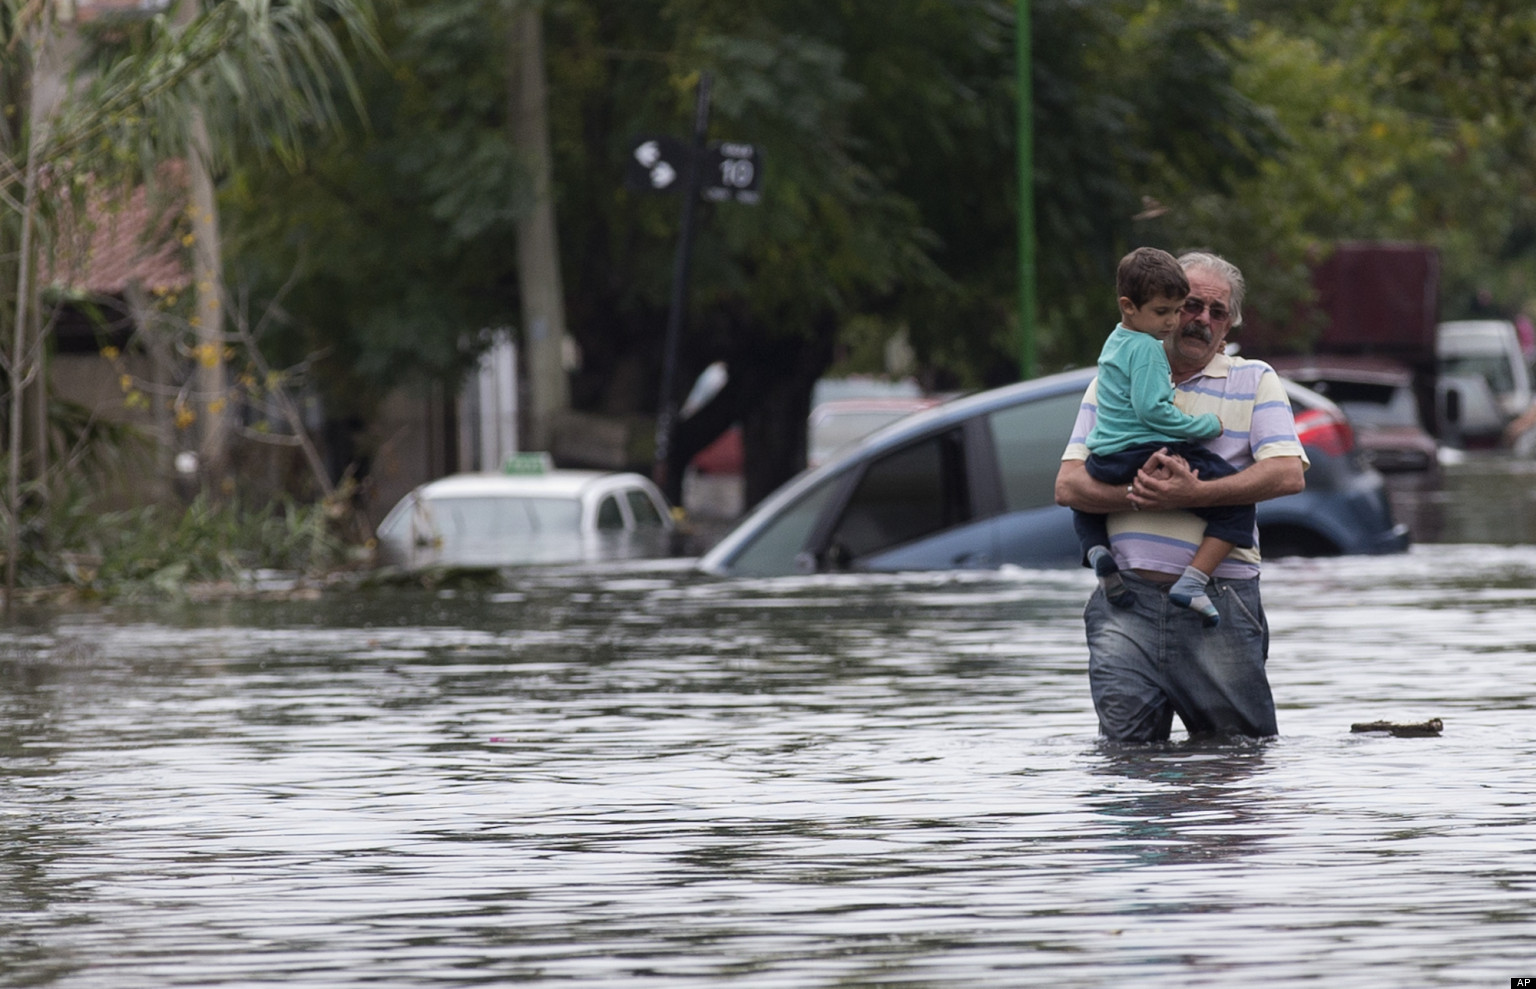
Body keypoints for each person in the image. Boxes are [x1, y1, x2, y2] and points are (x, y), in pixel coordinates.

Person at [1054, 251, 1308, 742]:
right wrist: (1141, 495)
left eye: (1218, 313)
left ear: (1229, 326)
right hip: (1125, 603)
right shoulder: (1113, 379)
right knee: (1125, 762)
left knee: (1236, 756)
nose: (1200, 321)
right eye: (1190, 306)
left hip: (1220, 602)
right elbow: (1068, 486)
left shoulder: (1254, 379)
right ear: (1160, 308)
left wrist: (1196, 492)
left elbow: (1287, 474)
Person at [1074, 247, 1254, 627]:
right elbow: (1153, 411)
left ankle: (1097, 554)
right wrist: (1205, 426)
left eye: (1217, 313)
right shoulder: (1150, 351)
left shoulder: (1115, 341)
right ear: (1129, 306)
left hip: (1105, 458)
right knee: (1240, 499)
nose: (1174, 322)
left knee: (1085, 503)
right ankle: (1193, 582)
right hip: (1145, 452)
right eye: (1171, 310)